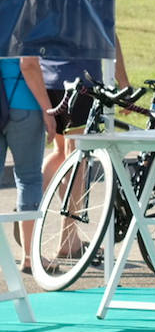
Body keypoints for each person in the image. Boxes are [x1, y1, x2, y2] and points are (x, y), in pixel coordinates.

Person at [40, 35, 128, 261]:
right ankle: (67, 242)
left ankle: (29, 215)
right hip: (80, 81)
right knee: (77, 159)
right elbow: (109, 35)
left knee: (61, 152)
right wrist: (124, 83)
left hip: (47, 78)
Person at [3, 55, 57, 272]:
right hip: (24, 104)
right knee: (29, 179)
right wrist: (47, 109)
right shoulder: (25, 21)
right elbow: (29, 64)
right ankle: (30, 256)